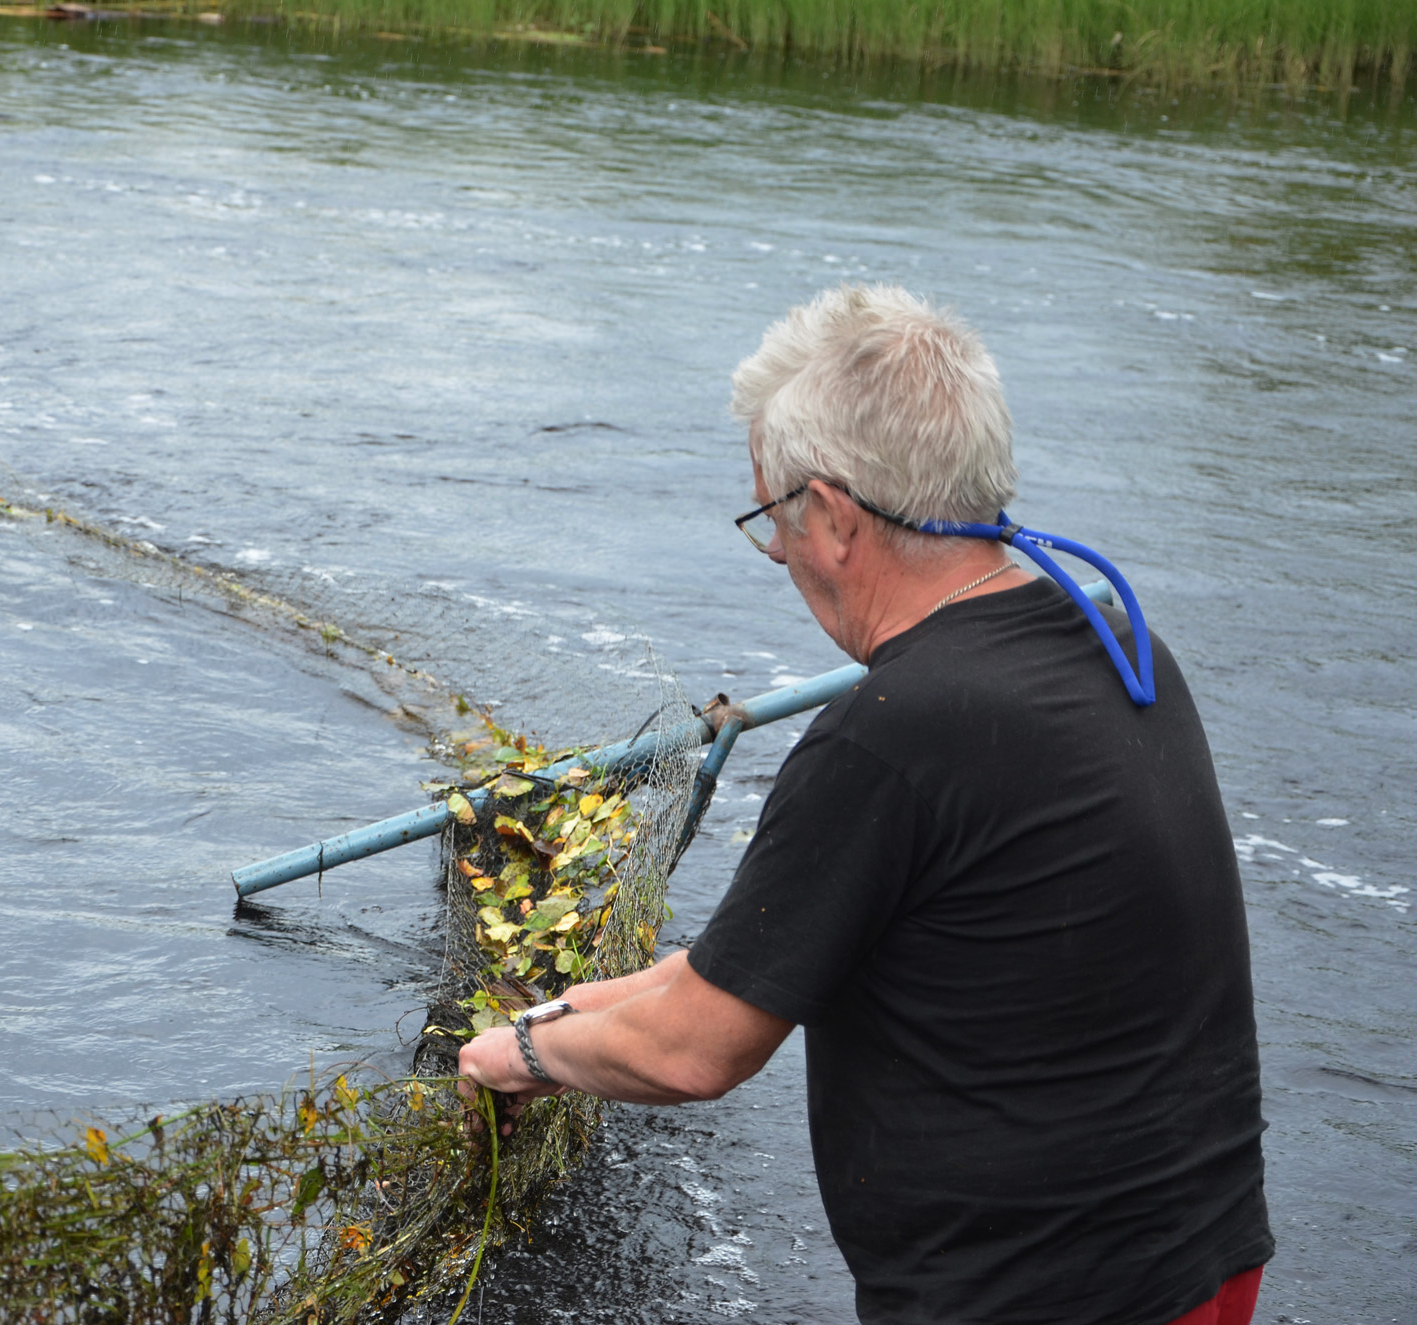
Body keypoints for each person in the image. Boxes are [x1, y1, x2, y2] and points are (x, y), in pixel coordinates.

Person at [458, 284, 1272, 1325]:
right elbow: (749, 968)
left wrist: (514, 1055)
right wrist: (571, 1014)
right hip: (1200, 1256)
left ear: (835, 517)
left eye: (772, 519)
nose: (779, 556)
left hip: (1035, 1294)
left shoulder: (892, 731)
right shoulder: (1109, 637)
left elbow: (697, 1047)